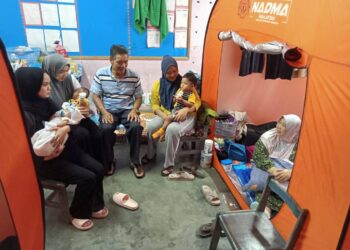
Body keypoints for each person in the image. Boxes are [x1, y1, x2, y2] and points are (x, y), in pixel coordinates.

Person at [15, 67, 107, 231]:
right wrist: (45, 155)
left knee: (99, 169)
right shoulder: (22, 115)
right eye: (44, 85)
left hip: (63, 148)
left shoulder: (45, 102)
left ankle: (94, 204)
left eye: (49, 84)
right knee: (88, 177)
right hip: (44, 162)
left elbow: (63, 118)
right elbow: (23, 152)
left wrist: (66, 128)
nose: (49, 88)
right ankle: (77, 213)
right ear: (30, 86)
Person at [42, 54, 108, 174]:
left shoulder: (69, 79)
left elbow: (81, 93)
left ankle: (103, 164)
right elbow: (49, 115)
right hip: (61, 121)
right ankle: (89, 167)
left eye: (67, 71)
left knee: (98, 132)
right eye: (61, 71)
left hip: (76, 115)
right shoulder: (45, 85)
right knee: (82, 134)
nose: (65, 74)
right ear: (51, 69)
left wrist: (85, 107)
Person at [90, 45, 145, 178]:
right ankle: (110, 161)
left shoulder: (134, 76)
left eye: (126, 62)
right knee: (105, 129)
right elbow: (95, 95)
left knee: (136, 126)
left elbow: (138, 97)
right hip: (108, 109)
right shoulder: (101, 74)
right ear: (111, 60)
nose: (123, 65)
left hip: (127, 110)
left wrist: (134, 110)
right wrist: (104, 112)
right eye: (119, 62)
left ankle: (135, 161)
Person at [143, 55, 201, 176]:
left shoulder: (185, 82)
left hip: (186, 115)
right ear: (163, 72)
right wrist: (165, 117)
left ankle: (169, 165)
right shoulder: (158, 85)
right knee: (151, 127)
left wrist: (187, 109)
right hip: (166, 113)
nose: (173, 75)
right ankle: (151, 154)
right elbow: (154, 105)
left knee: (172, 129)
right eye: (168, 72)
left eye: (175, 71)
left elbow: (198, 101)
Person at [251, 114, 301, 218]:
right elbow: (258, 156)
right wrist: (272, 170)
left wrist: (292, 172)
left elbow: (306, 166)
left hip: (287, 176)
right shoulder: (269, 137)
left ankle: (266, 210)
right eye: (279, 122)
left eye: (284, 125)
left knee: (291, 194)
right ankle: (265, 211)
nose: (278, 126)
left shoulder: (300, 144)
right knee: (261, 188)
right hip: (266, 170)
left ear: (292, 129)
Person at [152, 72, 198, 140]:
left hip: (182, 113)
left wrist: (183, 101)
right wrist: (175, 99)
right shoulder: (179, 90)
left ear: (192, 86)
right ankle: (163, 132)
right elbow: (174, 100)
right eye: (181, 83)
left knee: (170, 120)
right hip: (175, 110)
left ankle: (162, 131)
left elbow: (191, 105)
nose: (182, 85)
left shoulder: (191, 95)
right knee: (168, 119)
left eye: (185, 84)